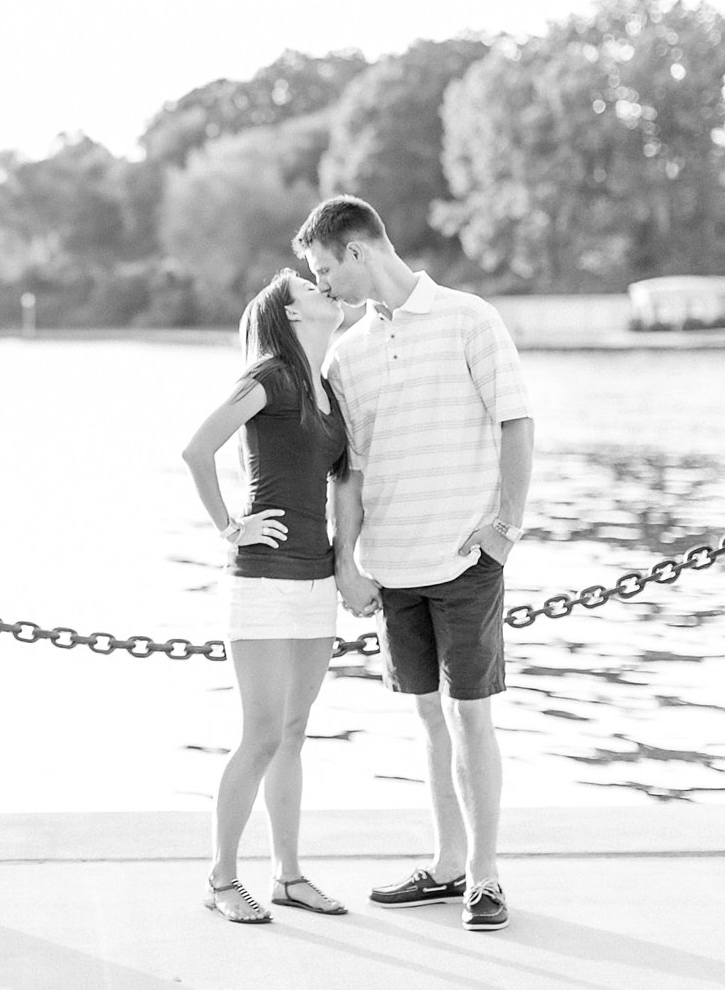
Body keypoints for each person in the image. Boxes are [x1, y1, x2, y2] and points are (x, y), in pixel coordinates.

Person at [295, 195, 533, 934]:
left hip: (465, 558)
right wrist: (348, 563)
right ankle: (446, 865)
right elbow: (351, 475)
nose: (324, 284)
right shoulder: (347, 353)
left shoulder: (470, 318)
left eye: (326, 268)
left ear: (359, 250)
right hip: (391, 568)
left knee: (470, 717)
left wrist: (506, 529)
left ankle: (486, 876)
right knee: (429, 718)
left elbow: (516, 420)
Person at [180, 268, 354, 925]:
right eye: (308, 286)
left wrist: (346, 565)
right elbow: (197, 449)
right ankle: (221, 877)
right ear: (289, 312)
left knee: (292, 735)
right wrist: (230, 524)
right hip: (261, 578)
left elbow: (342, 482)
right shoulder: (271, 377)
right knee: (259, 735)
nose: (323, 287)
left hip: (316, 580)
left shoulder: (328, 390)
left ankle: (289, 875)